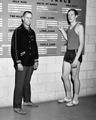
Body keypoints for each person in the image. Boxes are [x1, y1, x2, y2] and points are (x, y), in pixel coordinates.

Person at [11, 11, 39, 114]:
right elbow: (14, 48)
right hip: (21, 63)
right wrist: (18, 62)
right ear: (22, 18)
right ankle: (17, 106)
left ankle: (27, 101)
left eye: (30, 18)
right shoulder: (18, 31)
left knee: (27, 83)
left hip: (30, 62)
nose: (29, 20)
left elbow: (35, 47)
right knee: (19, 85)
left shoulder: (32, 32)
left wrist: (36, 60)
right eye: (27, 18)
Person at [58, 9, 84, 106]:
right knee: (64, 76)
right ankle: (68, 97)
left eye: (72, 15)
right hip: (68, 53)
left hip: (75, 54)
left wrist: (76, 59)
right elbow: (69, 39)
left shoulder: (79, 26)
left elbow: (81, 44)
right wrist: (62, 30)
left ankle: (75, 99)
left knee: (74, 77)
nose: (69, 16)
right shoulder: (69, 27)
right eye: (68, 15)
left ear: (76, 16)